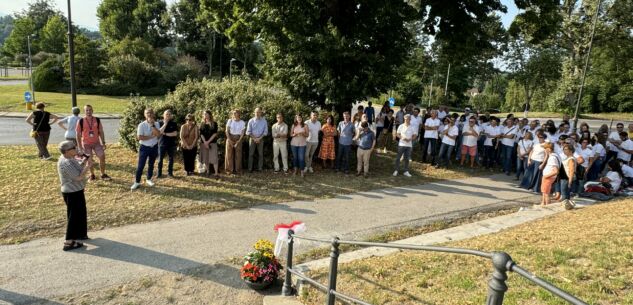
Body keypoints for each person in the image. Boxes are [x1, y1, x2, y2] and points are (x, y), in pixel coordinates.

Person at [57, 140, 92, 251]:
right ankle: (69, 242)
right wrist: (88, 166)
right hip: (71, 192)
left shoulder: (70, 158)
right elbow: (78, 177)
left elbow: (77, 169)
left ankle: (80, 235)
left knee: (81, 213)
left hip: (77, 190)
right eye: (73, 147)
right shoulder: (65, 163)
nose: (76, 148)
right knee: (73, 217)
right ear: (67, 151)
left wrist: (84, 160)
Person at [75, 105, 110, 181]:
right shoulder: (81, 121)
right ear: (84, 112)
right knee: (89, 160)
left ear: (92, 111)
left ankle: (103, 174)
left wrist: (103, 142)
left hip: (96, 143)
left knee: (102, 157)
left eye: (90, 110)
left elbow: (101, 132)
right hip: (86, 144)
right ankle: (92, 175)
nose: (88, 112)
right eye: (87, 110)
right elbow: (78, 135)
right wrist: (80, 147)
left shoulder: (97, 120)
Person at [131, 108, 161, 190]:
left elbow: (158, 135)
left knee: (151, 164)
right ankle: (137, 182)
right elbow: (140, 137)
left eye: (151, 113)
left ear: (153, 114)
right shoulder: (141, 125)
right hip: (144, 148)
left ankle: (149, 179)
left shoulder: (157, 124)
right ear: (145, 115)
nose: (149, 114)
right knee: (141, 166)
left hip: (154, 147)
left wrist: (152, 126)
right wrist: (151, 136)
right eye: (147, 113)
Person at [157, 110, 178, 178]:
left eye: (169, 114)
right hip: (162, 144)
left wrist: (165, 134)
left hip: (171, 144)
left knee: (171, 159)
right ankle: (159, 173)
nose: (168, 116)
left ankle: (170, 173)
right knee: (160, 159)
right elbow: (159, 132)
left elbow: (175, 133)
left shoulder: (174, 123)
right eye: (166, 114)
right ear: (163, 115)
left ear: (171, 116)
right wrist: (165, 124)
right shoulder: (159, 123)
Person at [246, 107, 268, 172]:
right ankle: (250, 168)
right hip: (252, 139)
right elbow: (248, 132)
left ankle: (260, 168)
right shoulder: (251, 121)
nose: (257, 113)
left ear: (261, 113)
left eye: (259, 112)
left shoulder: (264, 121)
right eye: (256, 112)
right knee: (251, 154)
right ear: (254, 112)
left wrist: (259, 138)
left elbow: (265, 132)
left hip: (261, 139)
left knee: (260, 154)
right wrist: (255, 138)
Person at [225, 110, 246, 175]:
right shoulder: (230, 121)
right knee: (229, 154)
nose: (234, 114)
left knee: (238, 155)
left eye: (235, 113)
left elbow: (242, 133)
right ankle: (229, 170)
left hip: (238, 138)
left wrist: (239, 141)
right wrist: (229, 140)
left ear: (238, 114)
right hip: (230, 137)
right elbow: (226, 131)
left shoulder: (242, 122)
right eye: (233, 113)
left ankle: (238, 170)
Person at [199, 110, 219, 177]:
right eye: (204, 114)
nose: (205, 115)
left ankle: (216, 173)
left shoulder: (214, 123)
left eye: (207, 114)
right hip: (203, 143)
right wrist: (205, 142)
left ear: (210, 115)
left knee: (214, 158)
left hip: (212, 143)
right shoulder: (202, 124)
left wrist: (208, 142)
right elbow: (201, 134)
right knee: (206, 158)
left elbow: (214, 134)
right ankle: (208, 171)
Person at [558, 144, 576, 208]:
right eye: (563, 149)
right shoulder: (568, 158)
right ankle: (567, 205)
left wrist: (570, 181)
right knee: (565, 193)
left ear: (571, 150)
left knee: (564, 193)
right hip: (564, 177)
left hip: (567, 178)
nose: (564, 151)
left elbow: (571, 170)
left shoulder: (571, 159)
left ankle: (565, 205)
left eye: (566, 149)